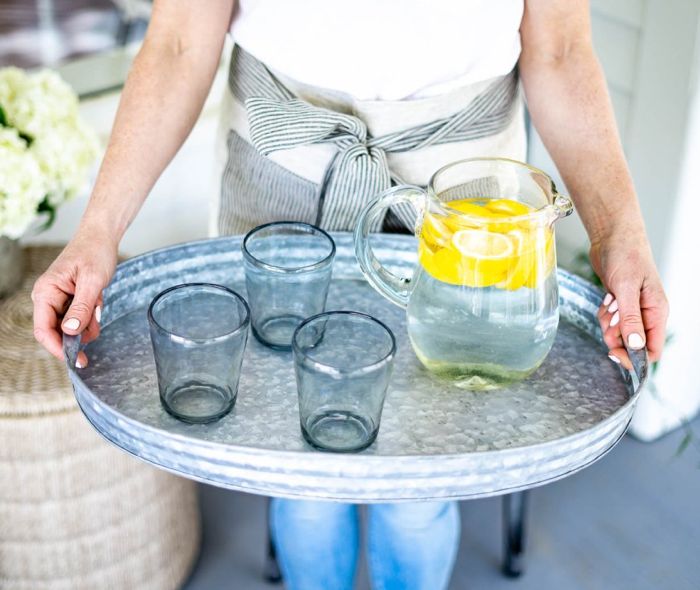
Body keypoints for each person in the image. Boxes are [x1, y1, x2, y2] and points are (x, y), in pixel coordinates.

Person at [32, 1, 669, 589]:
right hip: (284, 184)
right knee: (303, 477)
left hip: (467, 199)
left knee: (425, 480)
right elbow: (176, 44)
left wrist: (620, 235)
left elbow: (558, 49)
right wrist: (97, 234)